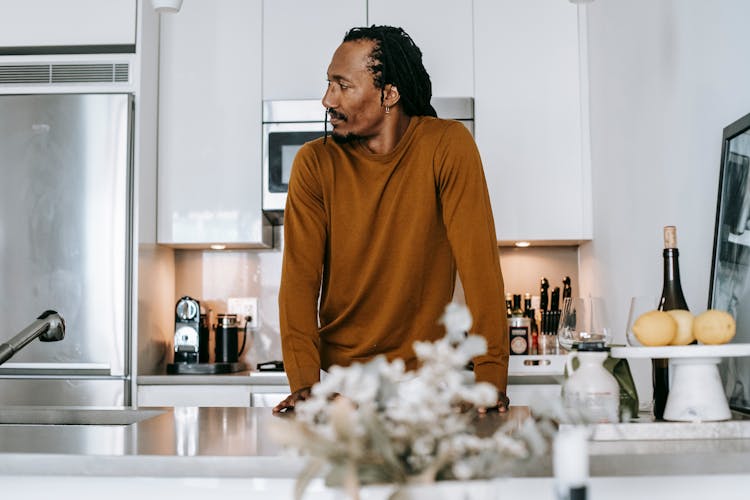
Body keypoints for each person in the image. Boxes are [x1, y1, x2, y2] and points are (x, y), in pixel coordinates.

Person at [273, 25, 509, 414]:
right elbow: (299, 282)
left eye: (342, 86)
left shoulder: (446, 146)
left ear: (390, 94)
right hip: (340, 385)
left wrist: (490, 381)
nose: (326, 99)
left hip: (425, 383)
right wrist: (304, 384)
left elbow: (480, 269)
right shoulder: (314, 163)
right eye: (328, 84)